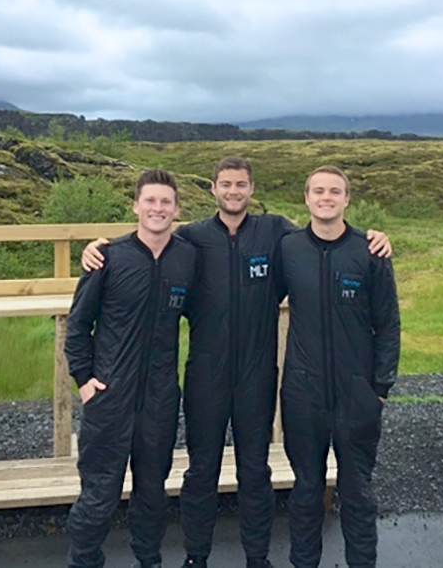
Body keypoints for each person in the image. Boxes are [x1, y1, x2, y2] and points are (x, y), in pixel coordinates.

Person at [81, 157, 392, 568]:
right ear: (213, 189)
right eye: (225, 184)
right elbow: (151, 240)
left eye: (241, 184)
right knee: (201, 472)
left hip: (256, 374)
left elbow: (323, 239)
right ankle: (196, 557)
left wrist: (372, 237)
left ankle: (257, 558)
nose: (233, 191)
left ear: (251, 189)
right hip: (205, 373)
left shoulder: (276, 233)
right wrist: (99, 247)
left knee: (255, 471)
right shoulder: (191, 239)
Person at [65, 169, 200, 568]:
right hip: (109, 395)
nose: (158, 208)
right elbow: (78, 326)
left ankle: (148, 559)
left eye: (165, 202)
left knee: (153, 494)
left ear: (177, 209)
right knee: (99, 494)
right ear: (136, 206)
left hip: (159, 397)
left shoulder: (188, 259)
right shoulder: (108, 257)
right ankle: (84, 560)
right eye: (150, 201)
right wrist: (84, 381)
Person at [277, 166, 400, 568]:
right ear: (306, 198)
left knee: (357, 493)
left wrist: (379, 389)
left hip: (356, 393)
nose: (326, 198)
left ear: (347, 198)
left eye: (334, 191)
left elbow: (388, 324)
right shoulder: (289, 248)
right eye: (318, 191)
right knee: (306, 491)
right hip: (303, 392)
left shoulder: (370, 251)